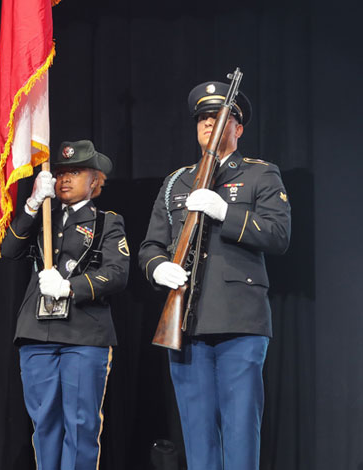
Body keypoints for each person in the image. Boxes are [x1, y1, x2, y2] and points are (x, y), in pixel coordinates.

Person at [139, 81, 291, 469]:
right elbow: (150, 246)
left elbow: (278, 235)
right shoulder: (177, 181)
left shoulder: (261, 175)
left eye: (220, 117)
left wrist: (227, 213)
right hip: (186, 321)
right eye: (203, 118)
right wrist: (160, 268)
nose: (209, 124)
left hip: (240, 320)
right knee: (196, 429)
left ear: (238, 129)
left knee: (240, 429)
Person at [1, 140, 130, 470]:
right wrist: (31, 205)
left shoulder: (107, 222)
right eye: (60, 173)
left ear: (95, 180)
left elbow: (117, 274)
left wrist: (71, 288)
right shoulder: (43, 216)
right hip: (37, 333)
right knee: (44, 425)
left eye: (75, 172)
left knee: (81, 424)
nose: (65, 179)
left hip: (84, 333)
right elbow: (8, 250)